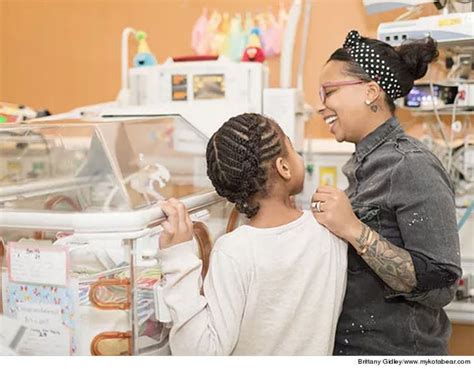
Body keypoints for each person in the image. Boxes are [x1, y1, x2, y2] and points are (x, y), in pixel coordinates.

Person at [312, 30, 462, 355]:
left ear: (370, 91)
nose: (319, 106)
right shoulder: (364, 166)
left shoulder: (410, 166)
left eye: (328, 92)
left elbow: (441, 285)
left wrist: (353, 229)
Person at [157, 113, 347, 355]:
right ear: (284, 167)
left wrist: (178, 260)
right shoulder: (329, 231)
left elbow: (201, 353)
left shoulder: (234, 250)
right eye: (292, 147)